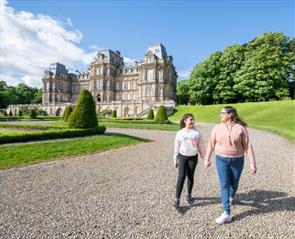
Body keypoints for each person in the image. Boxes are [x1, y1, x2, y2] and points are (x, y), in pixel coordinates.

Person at [204, 106, 257, 224]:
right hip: (221, 159)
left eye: (222, 113)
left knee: (234, 182)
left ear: (230, 114)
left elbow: (248, 146)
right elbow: (211, 144)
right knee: (224, 185)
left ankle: (231, 197)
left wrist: (253, 163)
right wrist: (207, 158)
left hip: (237, 160)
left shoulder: (241, 128)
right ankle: (227, 213)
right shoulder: (217, 128)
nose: (220, 115)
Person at [172, 113, 206, 210]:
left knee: (190, 176)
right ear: (185, 121)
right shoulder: (180, 133)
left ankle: (189, 195)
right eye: (190, 119)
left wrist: (205, 158)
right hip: (183, 157)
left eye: (193, 119)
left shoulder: (197, 133)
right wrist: (175, 159)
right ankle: (177, 200)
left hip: (193, 158)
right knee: (181, 176)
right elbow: (176, 147)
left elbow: (201, 147)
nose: (192, 121)